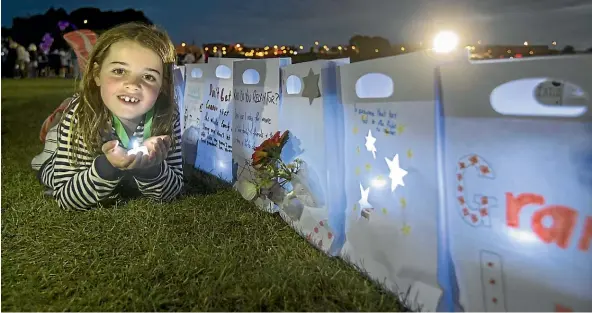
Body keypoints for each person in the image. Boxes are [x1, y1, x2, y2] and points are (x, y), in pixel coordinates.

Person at [31, 22, 184, 210]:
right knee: (48, 170)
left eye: (148, 77)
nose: (133, 85)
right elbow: (66, 198)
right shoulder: (82, 115)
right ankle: (54, 130)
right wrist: (108, 167)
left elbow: (174, 190)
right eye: (119, 71)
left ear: (162, 85)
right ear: (97, 74)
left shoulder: (168, 115)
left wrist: (152, 169)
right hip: (56, 159)